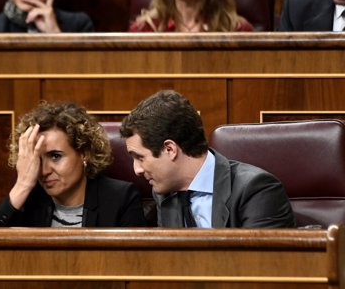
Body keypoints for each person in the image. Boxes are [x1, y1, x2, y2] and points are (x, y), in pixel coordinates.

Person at [119, 90, 294, 228]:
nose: (137, 170)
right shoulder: (164, 193)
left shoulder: (256, 190)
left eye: (140, 158)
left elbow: (258, 267)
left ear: (170, 149)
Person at [0, 101, 146, 227]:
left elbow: (132, 263)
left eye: (55, 156)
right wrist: (22, 185)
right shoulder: (28, 197)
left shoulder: (120, 198)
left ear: (84, 153)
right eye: (38, 159)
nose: (45, 170)